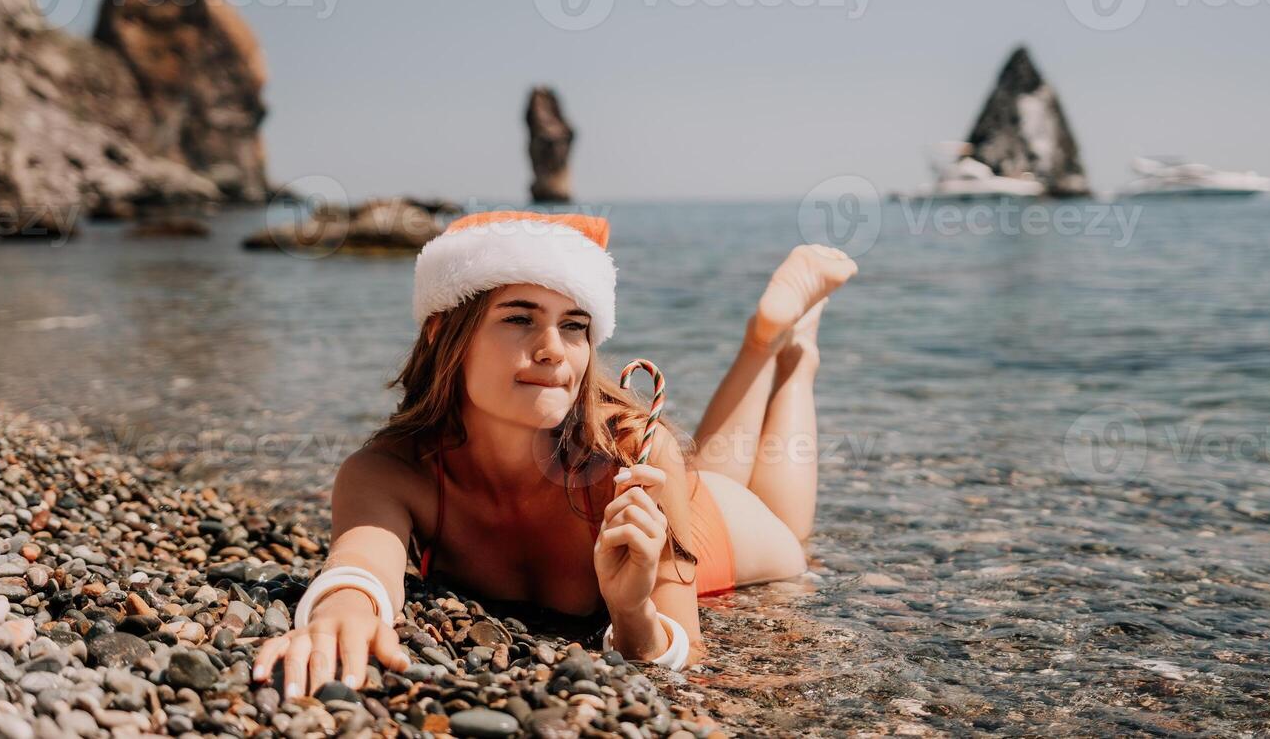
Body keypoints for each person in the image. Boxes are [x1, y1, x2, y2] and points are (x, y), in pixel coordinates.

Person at [253, 211, 857, 698]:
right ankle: (765, 340)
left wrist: (634, 611)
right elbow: (362, 561)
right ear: (443, 334)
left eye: (574, 325)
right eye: (519, 318)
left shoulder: (631, 457)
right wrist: (343, 611)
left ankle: (795, 351)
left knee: (790, 538)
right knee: (710, 463)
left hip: (720, 533)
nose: (552, 350)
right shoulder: (391, 471)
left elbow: (683, 649)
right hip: (679, 490)